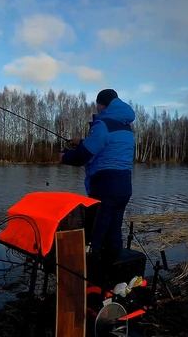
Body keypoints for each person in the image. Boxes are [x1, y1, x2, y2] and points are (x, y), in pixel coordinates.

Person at [60, 88, 135, 262]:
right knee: (114, 230)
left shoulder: (103, 124)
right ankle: (114, 275)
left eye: (98, 105)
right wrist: (81, 141)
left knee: (97, 235)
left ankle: (92, 275)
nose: (97, 109)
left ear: (102, 104)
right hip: (124, 186)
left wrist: (64, 157)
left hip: (105, 186)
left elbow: (84, 155)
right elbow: (108, 147)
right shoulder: (126, 127)